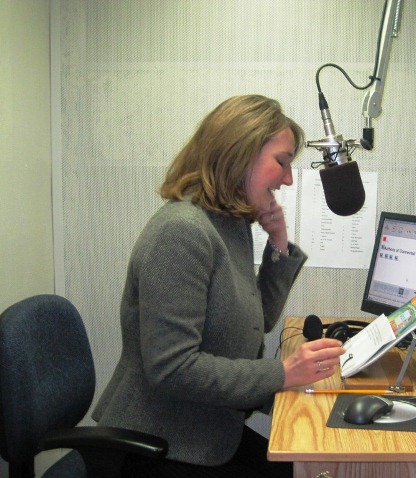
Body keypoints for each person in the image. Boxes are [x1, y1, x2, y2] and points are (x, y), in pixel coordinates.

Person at [92, 94, 345, 478]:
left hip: (204, 427)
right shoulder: (182, 232)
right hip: (161, 444)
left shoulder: (228, 223)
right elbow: (173, 368)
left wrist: (277, 240)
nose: (288, 178)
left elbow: (253, 320)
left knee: (303, 463)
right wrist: (283, 373)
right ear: (239, 153)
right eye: (282, 161)